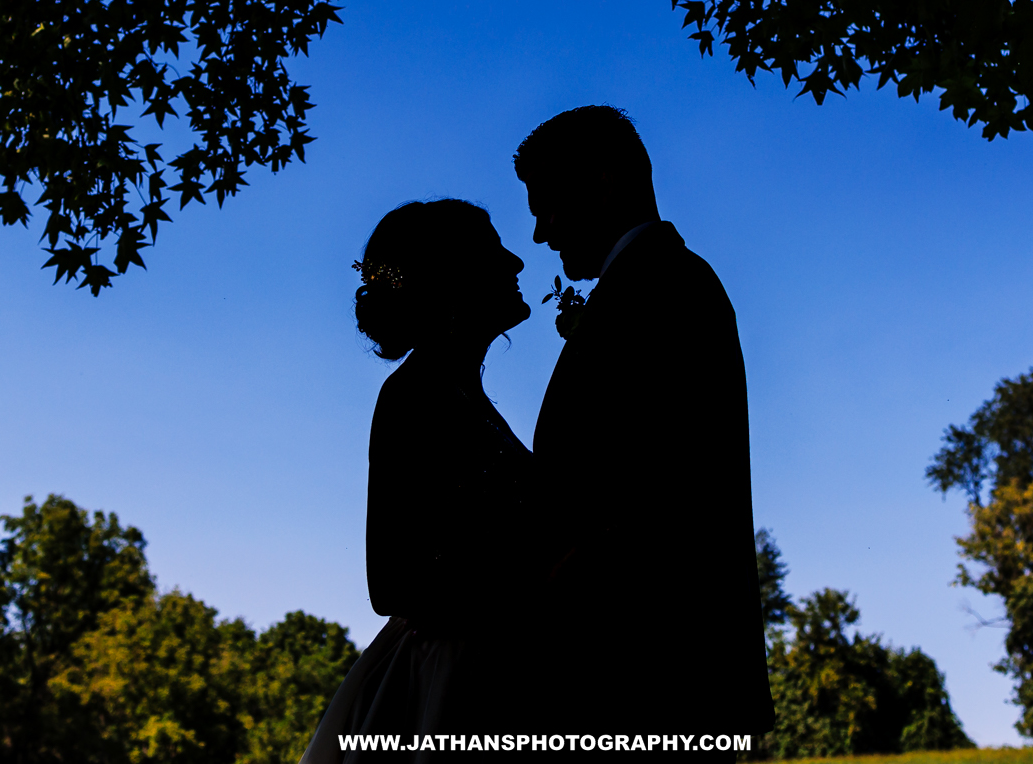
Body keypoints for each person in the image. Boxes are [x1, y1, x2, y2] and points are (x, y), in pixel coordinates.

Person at [517, 107, 772, 745]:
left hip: (650, 670)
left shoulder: (666, 286)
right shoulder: (647, 284)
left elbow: (665, 483)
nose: (540, 230)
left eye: (546, 203)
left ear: (603, 181)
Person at [303, 199, 537, 764]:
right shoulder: (413, 396)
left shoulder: (466, 398)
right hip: (454, 687)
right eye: (492, 249)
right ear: (452, 279)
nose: (516, 263)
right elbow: (390, 582)